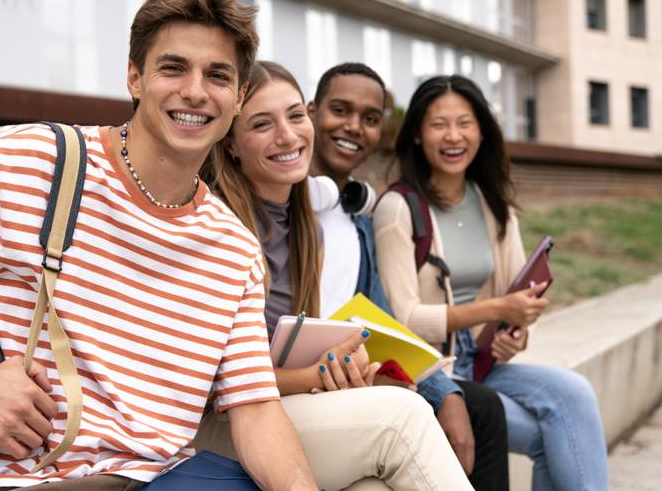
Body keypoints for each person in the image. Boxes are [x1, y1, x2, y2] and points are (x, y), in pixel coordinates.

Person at [0, 0, 319, 490]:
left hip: (158, 479)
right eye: (173, 67)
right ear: (134, 78)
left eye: (217, 75)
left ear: (237, 98)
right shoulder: (30, 161)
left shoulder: (233, 249)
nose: (194, 91)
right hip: (10, 478)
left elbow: (256, 411)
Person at [197, 60, 473, 491]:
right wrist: (318, 377)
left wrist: (343, 370)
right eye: (261, 124)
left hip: (281, 407)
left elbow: (293, 354)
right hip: (221, 425)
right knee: (403, 419)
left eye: (294, 116)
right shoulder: (217, 228)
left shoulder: (309, 230)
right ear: (231, 143)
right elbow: (218, 385)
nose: (287, 136)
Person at [373, 74, 609, 491]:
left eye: (465, 122)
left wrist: (514, 333)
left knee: (575, 392)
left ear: (482, 131)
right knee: (551, 439)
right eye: (438, 123)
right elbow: (403, 318)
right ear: (416, 136)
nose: (453, 135)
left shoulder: (492, 203)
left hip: (482, 361)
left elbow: (515, 296)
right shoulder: (397, 209)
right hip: (432, 373)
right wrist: (498, 310)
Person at [308, 63, 510, 490]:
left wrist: (445, 391)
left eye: (370, 118)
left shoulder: (357, 222)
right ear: (310, 113)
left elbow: (382, 319)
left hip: (354, 378)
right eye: (340, 110)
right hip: (310, 386)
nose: (353, 126)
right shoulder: (285, 211)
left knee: (480, 407)